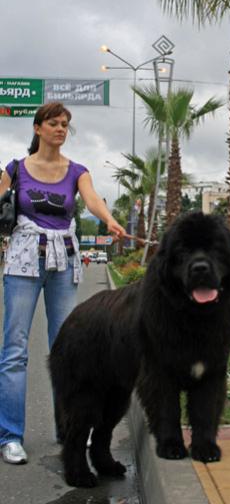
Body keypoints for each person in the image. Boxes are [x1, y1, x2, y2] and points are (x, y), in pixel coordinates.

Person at [0, 102, 126, 465]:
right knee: (15, 350)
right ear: (38, 128)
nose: (60, 129)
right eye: (54, 123)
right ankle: (10, 436)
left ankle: (69, 430)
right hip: (23, 262)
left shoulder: (77, 171)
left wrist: (111, 222)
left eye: (65, 124)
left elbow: (92, 200)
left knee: (68, 350)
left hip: (63, 262)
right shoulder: (17, 169)